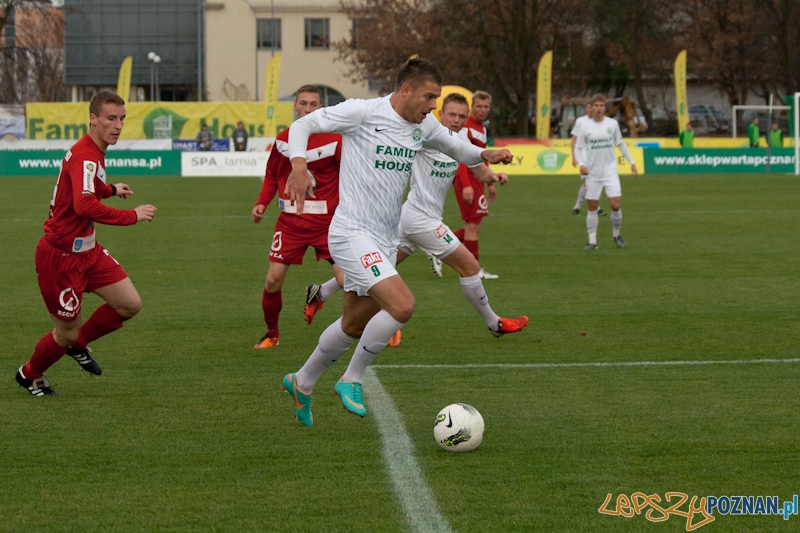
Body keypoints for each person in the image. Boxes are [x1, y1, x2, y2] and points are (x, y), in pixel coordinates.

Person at [280, 58, 513, 426]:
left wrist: (485, 155)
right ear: (406, 90)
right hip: (351, 232)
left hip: (385, 238)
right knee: (402, 305)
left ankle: (302, 381)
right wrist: (298, 165)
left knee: (354, 323)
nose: (433, 105)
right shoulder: (362, 112)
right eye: (429, 97)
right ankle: (351, 380)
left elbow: (458, 148)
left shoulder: (425, 125)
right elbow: (304, 124)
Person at [15, 90, 157, 396]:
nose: (118, 125)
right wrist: (131, 215)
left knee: (129, 304)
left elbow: (87, 188)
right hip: (61, 257)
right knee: (65, 333)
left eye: (121, 119)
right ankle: (30, 374)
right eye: (110, 118)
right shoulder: (85, 155)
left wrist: (109, 189)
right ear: (92, 119)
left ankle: (79, 343)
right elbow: (83, 206)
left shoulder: (92, 152)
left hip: (88, 251)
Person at [395, 92, 528, 340]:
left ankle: (322, 293)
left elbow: (480, 169)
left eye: (461, 116)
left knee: (379, 268)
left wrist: (494, 176)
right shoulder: (424, 133)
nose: (456, 120)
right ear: (440, 114)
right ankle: (494, 323)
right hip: (420, 218)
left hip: (414, 216)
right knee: (470, 266)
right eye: (451, 114)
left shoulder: (460, 139)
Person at [251, 85, 344, 349]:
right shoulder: (283, 139)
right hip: (290, 224)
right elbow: (271, 175)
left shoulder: (335, 140)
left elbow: (349, 178)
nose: (307, 109)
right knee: (273, 280)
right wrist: (261, 203)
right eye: (303, 103)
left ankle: (374, 327)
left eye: (313, 104)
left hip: (327, 224)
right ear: (295, 105)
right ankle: (272, 334)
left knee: (347, 281)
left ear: (321, 108)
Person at [574, 93, 638, 250]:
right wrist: (581, 163)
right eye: (596, 105)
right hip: (593, 174)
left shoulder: (612, 124)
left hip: (610, 172)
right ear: (592, 107)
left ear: (605, 108)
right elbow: (578, 147)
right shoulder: (585, 126)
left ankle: (616, 235)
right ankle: (592, 242)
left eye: (602, 106)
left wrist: (632, 162)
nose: (599, 108)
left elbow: (621, 144)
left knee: (615, 205)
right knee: (592, 206)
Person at [450, 90, 500, 280]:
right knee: (472, 225)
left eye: (486, 106)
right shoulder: (466, 127)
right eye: (479, 106)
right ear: (472, 106)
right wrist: (466, 184)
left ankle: (437, 247)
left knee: (475, 225)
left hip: (477, 179)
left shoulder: (481, 128)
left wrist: (490, 184)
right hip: (468, 179)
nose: (483, 110)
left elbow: (482, 156)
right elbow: (461, 155)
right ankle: (474, 271)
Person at [571, 101, 606, 217]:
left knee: (594, 182)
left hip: (597, 157)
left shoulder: (601, 122)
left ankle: (577, 206)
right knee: (587, 182)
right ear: (586, 109)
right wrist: (574, 157)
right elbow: (574, 140)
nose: (592, 109)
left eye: (593, 107)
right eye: (590, 107)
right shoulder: (580, 121)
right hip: (584, 157)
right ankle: (597, 207)